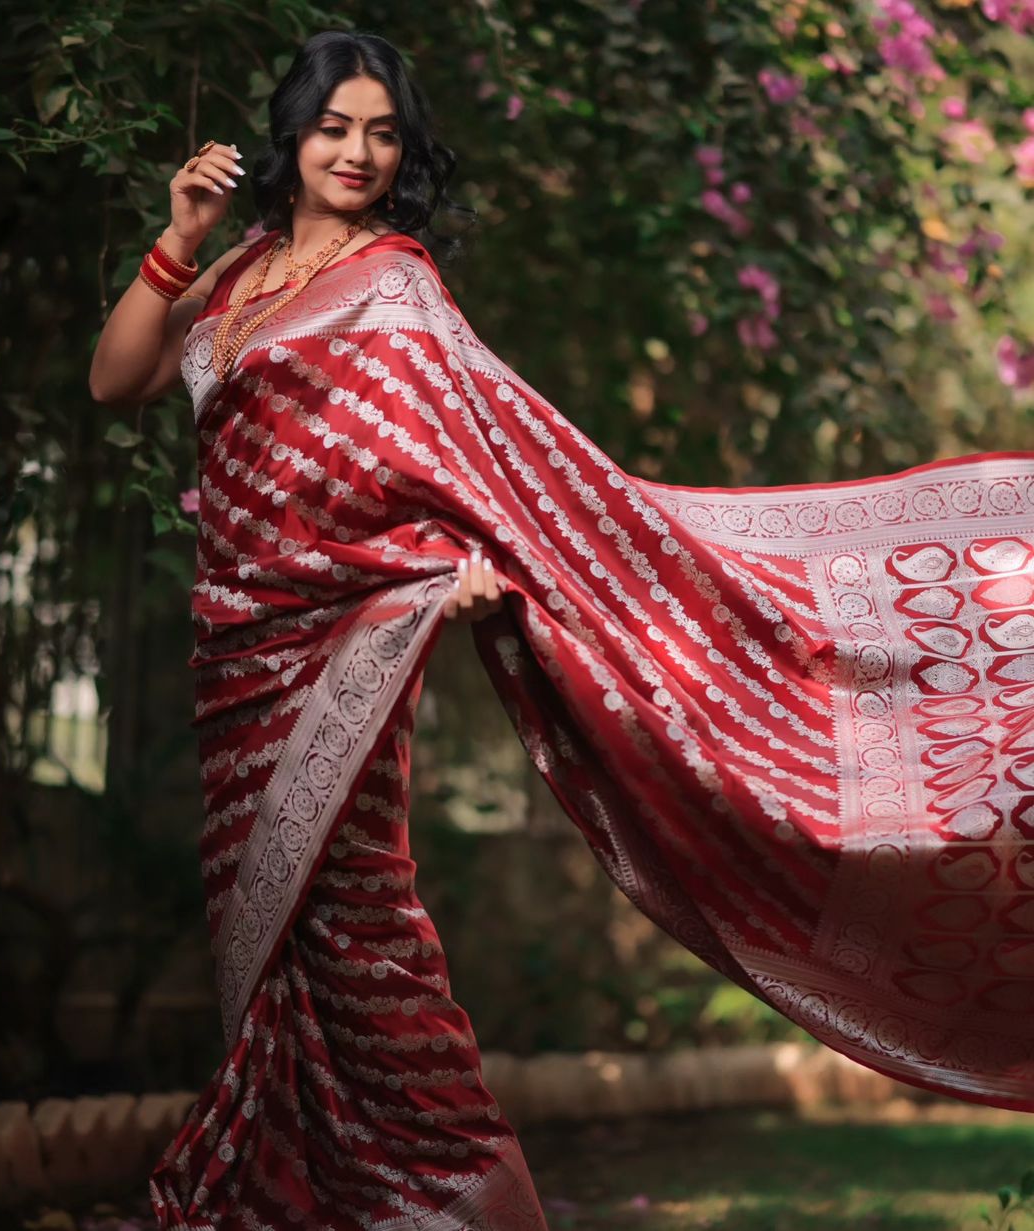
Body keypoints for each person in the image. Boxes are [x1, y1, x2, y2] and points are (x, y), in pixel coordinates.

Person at [90, 26, 1034, 1231]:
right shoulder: (234, 277)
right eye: (336, 127)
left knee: (361, 934)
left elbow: (473, 468)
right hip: (233, 657)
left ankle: (470, 1200)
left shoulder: (396, 286)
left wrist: (450, 572)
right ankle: (314, 1201)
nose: (359, 152)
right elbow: (115, 381)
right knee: (276, 957)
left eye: (383, 133)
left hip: (344, 660)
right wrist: (177, 241)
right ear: (293, 132)